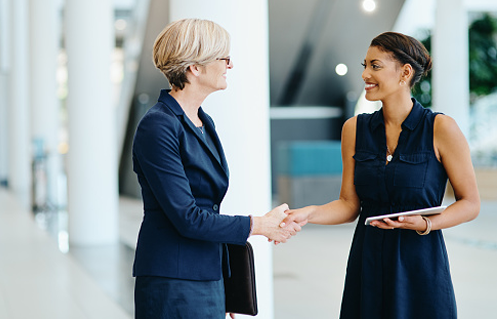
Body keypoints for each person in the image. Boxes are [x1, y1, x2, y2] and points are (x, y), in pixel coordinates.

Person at [282, 32, 480, 318]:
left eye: (375, 66)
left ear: (405, 73)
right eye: (365, 65)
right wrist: (308, 213)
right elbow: (349, 204)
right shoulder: (354, 129)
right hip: (368, 262)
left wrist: (425, 223)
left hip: (420, 265)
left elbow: (470, 203)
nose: (364, 74)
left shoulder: (441, 128)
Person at [131, 18, 300, 319]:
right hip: (174, 279)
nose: (229, 65)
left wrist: (227, 287)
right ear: (194, 67)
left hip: (207, 273)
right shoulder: (158, 126)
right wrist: (259, 225)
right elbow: (187, 217)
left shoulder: (202, 121)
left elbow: (209, 206)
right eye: (224, 57)